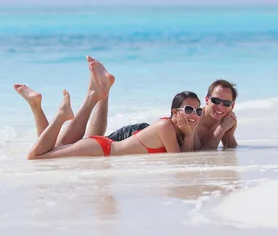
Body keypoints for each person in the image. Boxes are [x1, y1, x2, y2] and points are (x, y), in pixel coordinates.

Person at [14, 59, 201, 160]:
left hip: (101, 149)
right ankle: (61, 116)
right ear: (175, 111)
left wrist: (188, 134)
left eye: (198, 111)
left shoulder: (177, 132)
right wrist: (189, 134)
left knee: (48, 153)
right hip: (100, 148)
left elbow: (184, 156)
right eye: (189, 109)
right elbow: (178, 161)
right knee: (36, 158)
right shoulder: (166, 126)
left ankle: (38, 106)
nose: (194, 114)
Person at [107, 79, 238, 150]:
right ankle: (100, 94)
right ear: (207, 100)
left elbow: (230, 148)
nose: (220, 106)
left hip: (155, 144)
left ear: (232, 105)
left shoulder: (227, 119)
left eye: (226, 103)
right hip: (139, 134)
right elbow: (205, 150)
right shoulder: (196, 116)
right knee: (95, 141)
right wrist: (221, 129)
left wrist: (229, 133)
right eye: (216, 100)